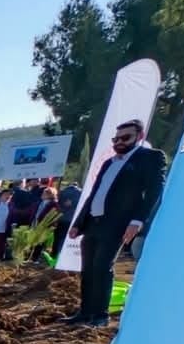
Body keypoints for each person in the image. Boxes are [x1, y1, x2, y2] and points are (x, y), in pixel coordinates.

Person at [62, 119, 167, 327]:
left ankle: (100, 315)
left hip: (117, 223)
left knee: (102, 266)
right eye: (116, 138)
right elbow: (95, 194)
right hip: (93, 222)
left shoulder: (150, 158)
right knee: (88, 268)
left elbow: (154, 191)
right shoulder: (109, 162)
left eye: (125, 137)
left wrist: (137, 221)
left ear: (140, 136)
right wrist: (79, 222)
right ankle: (85, 312)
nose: (119, 142)